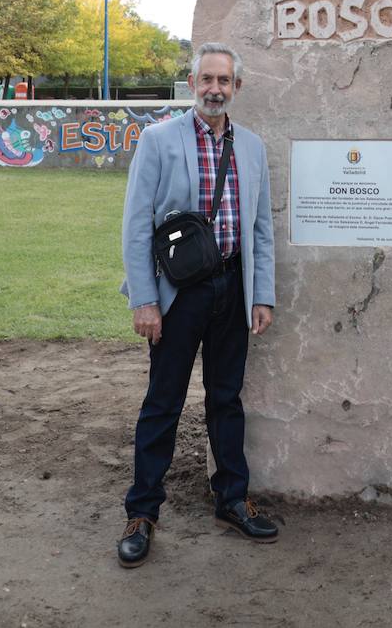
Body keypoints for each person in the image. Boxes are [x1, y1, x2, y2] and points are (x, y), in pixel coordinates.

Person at [117, 42, 277, 567]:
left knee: (226, 399)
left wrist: (263, 295)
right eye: (206, 79)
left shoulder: (251, 147)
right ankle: (143, 512)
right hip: (178, 296)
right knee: (163, 402)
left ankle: (231, 498)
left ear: (237, 88)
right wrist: (144, 299)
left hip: (233, 291)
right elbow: (137, 224)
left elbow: (261, 228)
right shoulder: (159, 140)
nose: (215, 89)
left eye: (224, 81)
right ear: (192, 84)